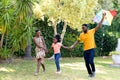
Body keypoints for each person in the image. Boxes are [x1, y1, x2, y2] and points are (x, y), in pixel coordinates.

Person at [69, 13, 106, 77]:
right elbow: (77, 41)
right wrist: (73, 46)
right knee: (86, 63)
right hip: (85, 50)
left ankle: (93, 71)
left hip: (91, 49)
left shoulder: (92, 31)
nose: (82, 29)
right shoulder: (81, 34)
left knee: (91, 61)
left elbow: (99, 25)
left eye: (83, 28)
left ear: (87, 28)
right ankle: (90, 73)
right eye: (82, 28)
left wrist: (103, 17)